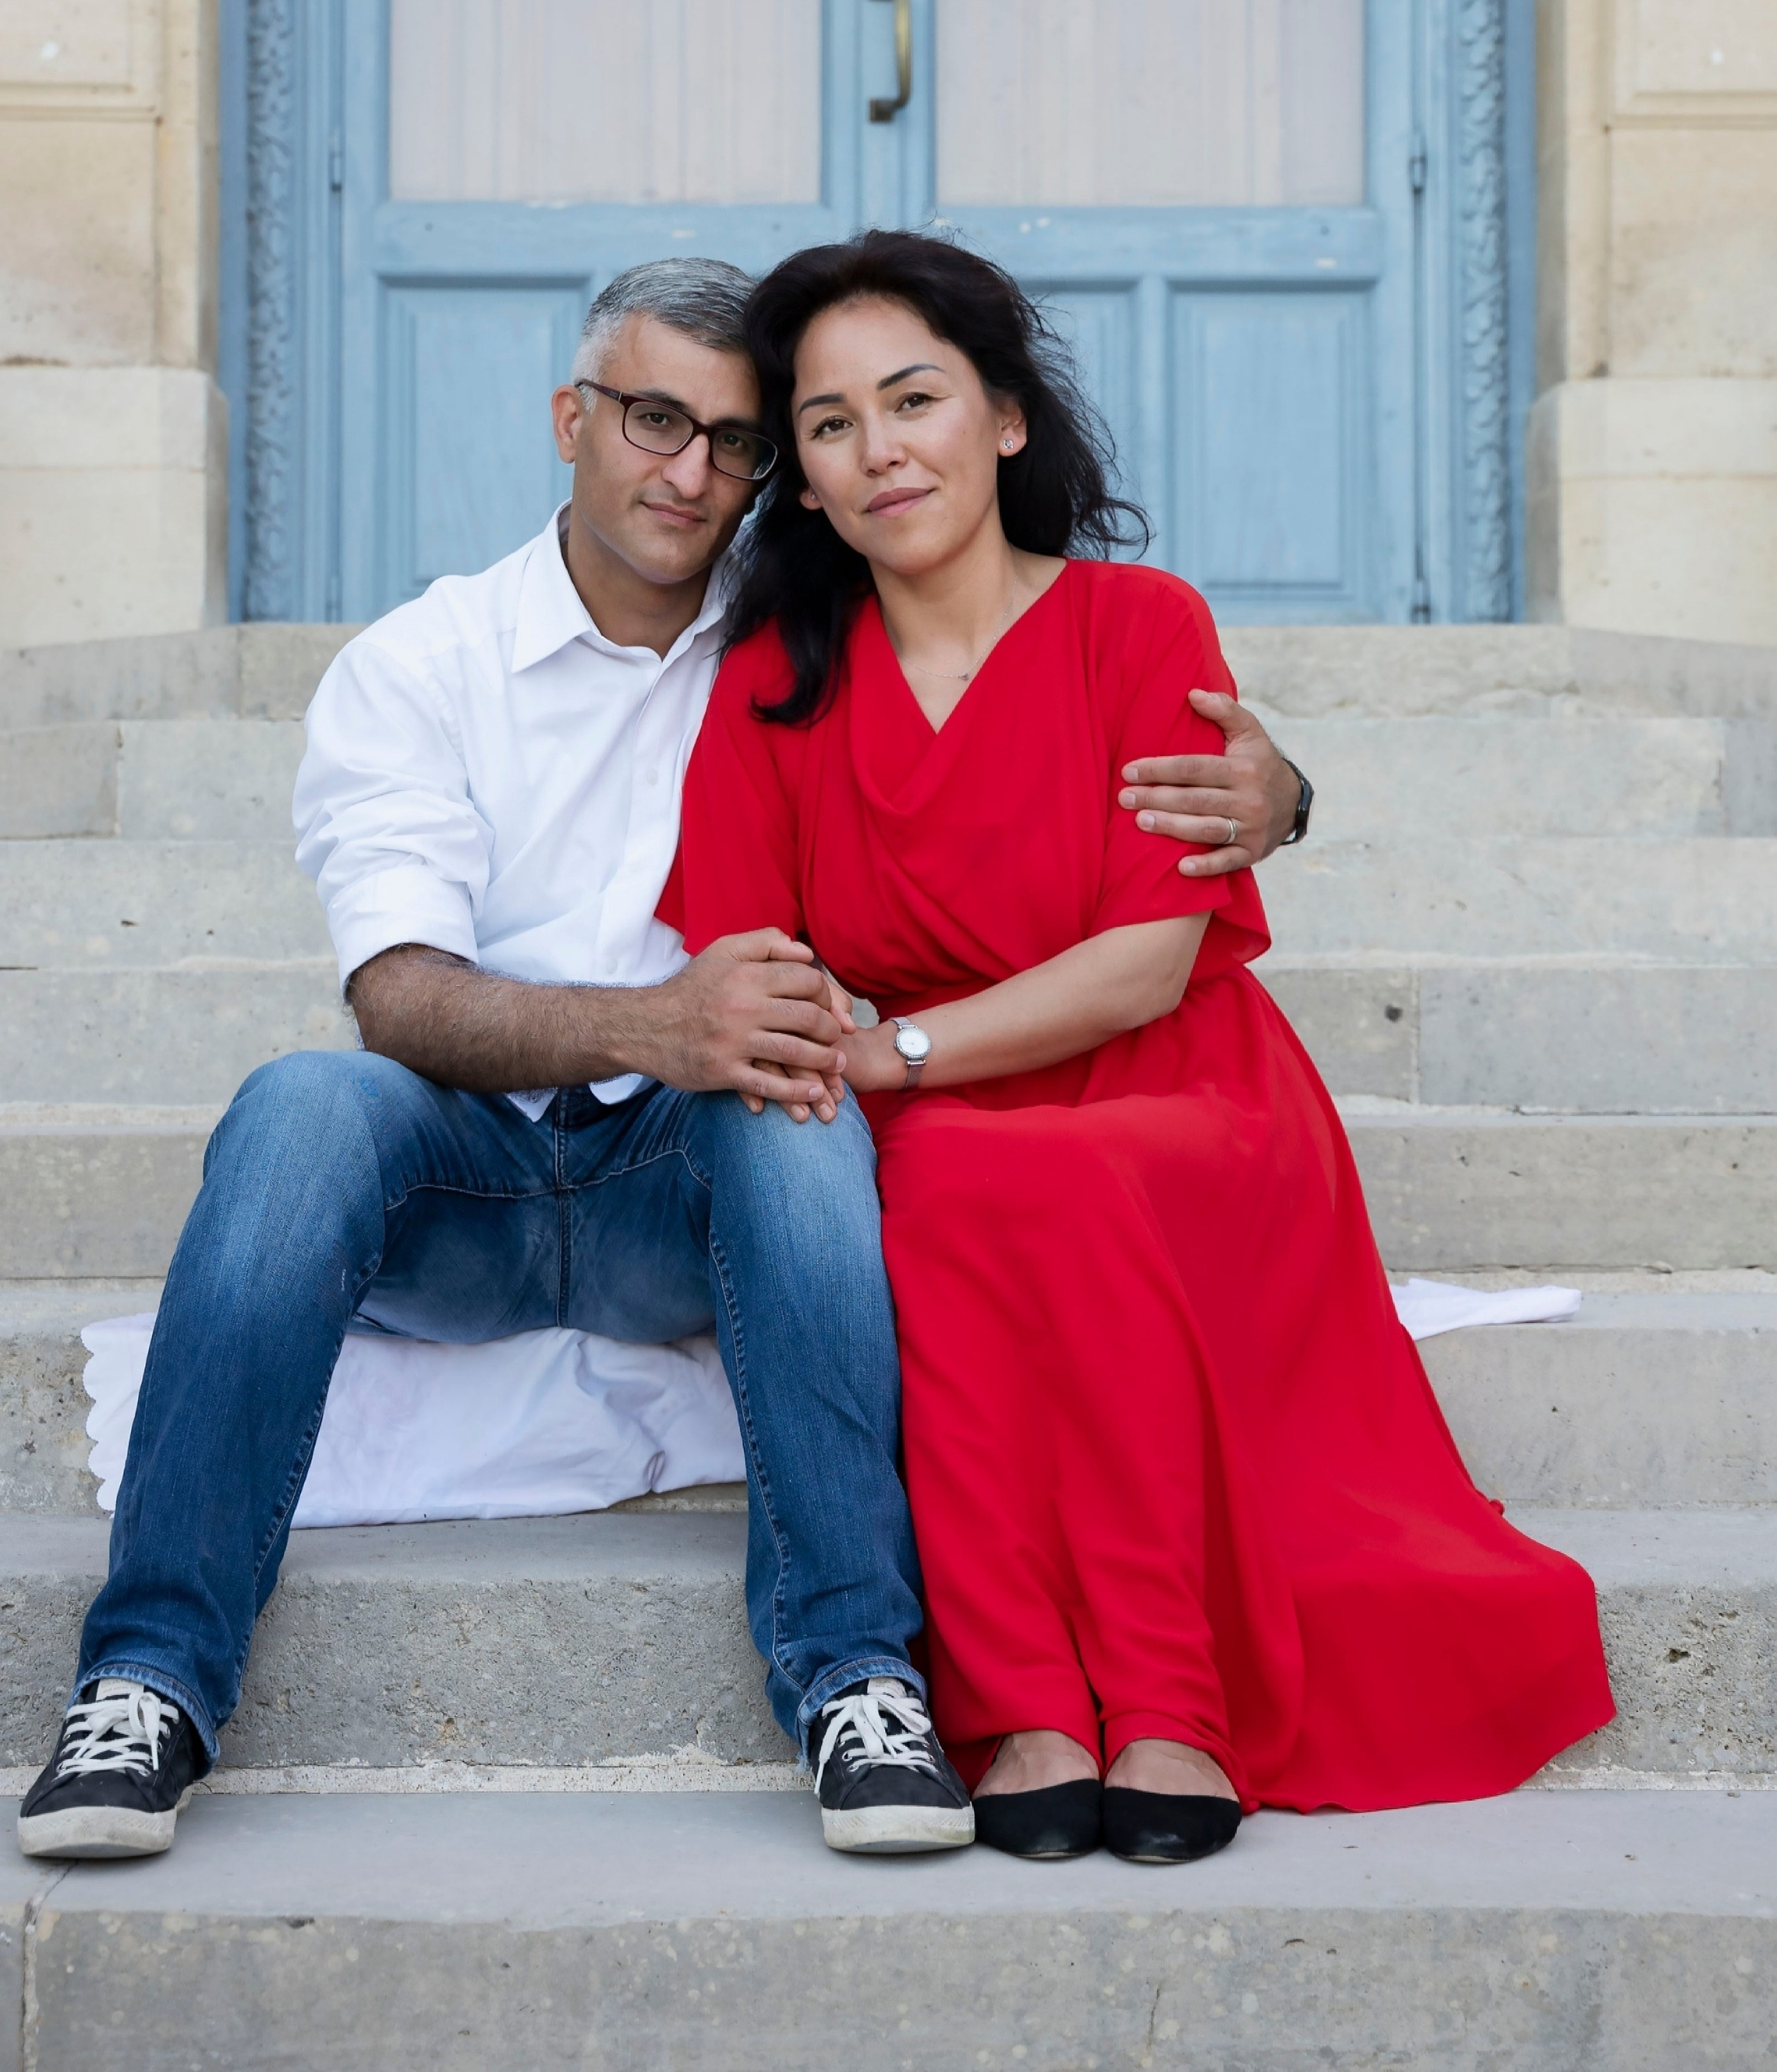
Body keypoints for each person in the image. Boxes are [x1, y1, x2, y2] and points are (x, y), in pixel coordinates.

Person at [17, 257, 1307, 1865]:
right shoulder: (423, 664)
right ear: (571, 418)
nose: (688, 472)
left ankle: (856, 1676)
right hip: (460, 1168)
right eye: (650, 420)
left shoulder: (794, 637)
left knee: (785, 1094)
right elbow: (399, 996)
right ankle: (145, 1682)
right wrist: (652, 1024)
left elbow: (1025, 690)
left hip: (683, 1172)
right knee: (299, 1104)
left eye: (734, 439)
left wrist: (1281, 792)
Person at [662, 232, 1617, 1866]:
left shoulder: (1135, 622)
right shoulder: (773, 681)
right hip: (929, 1101)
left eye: (913, 399)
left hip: (1174, 1077)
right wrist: (874, 1062)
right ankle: (1026, 1700)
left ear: (1004, 418)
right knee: (955, 1185)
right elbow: (747, 959)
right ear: (801, 481)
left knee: (1046, 1175)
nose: (878, 448)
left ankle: (1169, 1698)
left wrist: (895, 1052)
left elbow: (1145, 962)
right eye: (828, 423)